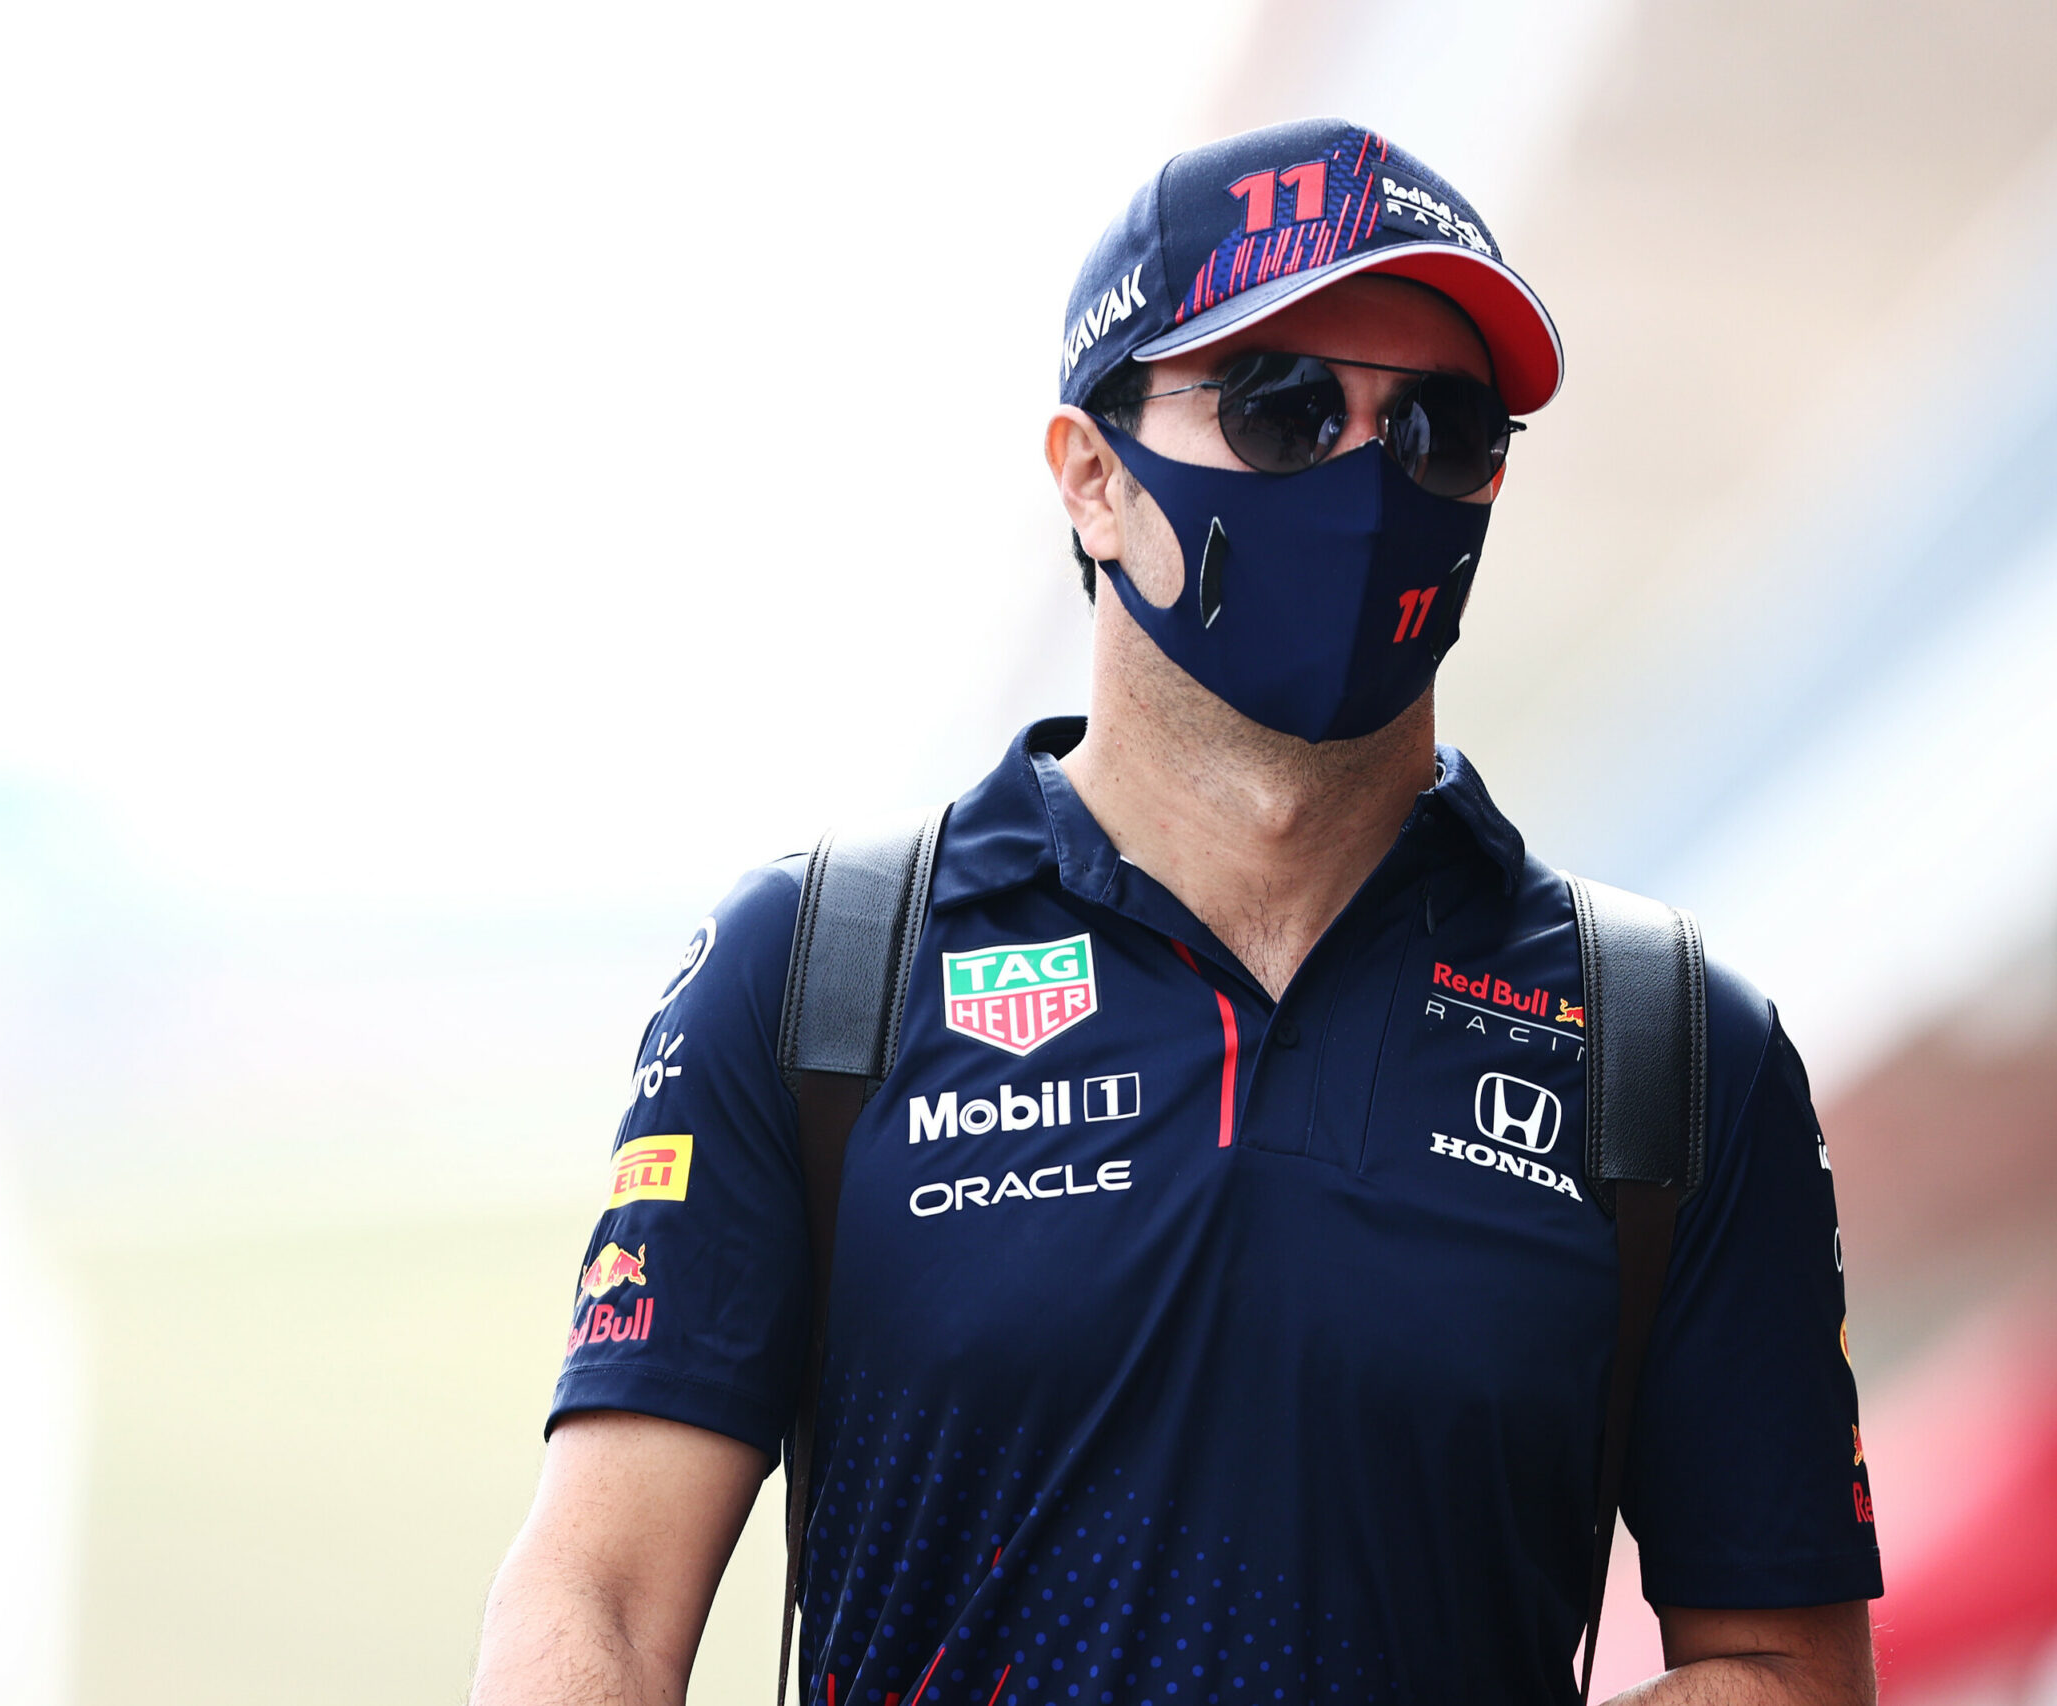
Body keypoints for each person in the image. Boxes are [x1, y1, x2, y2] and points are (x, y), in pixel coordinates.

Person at [470, 118, 1882, 1706]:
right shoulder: (816, 972)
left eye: (1441, 427)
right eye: (1283, 407)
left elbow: (1792, 1671)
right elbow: (595, 1600)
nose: (1370, 478)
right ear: (1093, 478)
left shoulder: (1672, 1046)